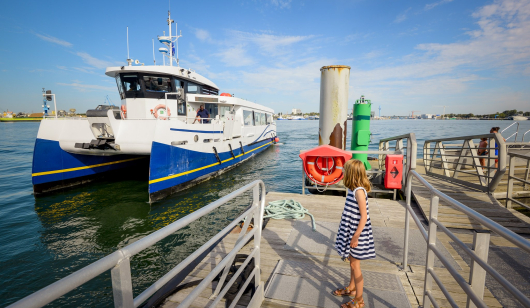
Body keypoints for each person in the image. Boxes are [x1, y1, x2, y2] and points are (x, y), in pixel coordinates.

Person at [333, 159, 375, 308]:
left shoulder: (359, 192)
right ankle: (351, 288)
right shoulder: (352, 189)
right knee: (352, 263)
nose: (343, 172)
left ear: (351, 174)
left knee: (356, 266)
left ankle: (359, 299)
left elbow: (364, 216)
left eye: (345, 170)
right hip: (350, 232)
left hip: (358, 235)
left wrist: (356, 235)